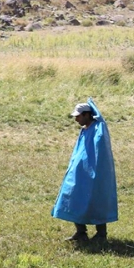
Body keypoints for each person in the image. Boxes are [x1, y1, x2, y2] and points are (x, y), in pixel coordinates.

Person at [52, 99, 118, 242]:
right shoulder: (84, 130)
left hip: (95, 173)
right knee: (74, 197)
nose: (76, 119)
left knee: (97, 199)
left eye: (78, 116)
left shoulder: (98, 128)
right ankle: (80, 232)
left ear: (87, 115)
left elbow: (100, 151)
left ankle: (101, 235)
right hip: (79, 171)